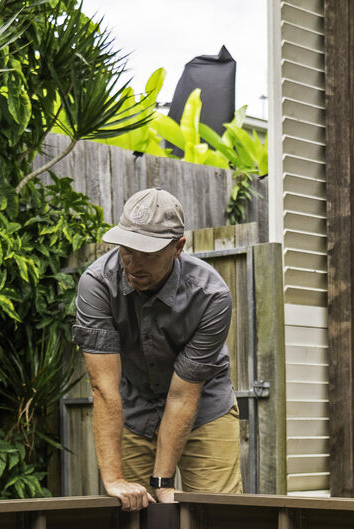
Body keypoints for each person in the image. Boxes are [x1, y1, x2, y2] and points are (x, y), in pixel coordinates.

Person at [72, 188, 242, 511]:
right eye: (126, 249)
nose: (133, 263)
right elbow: (103, 388)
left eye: (146, 252)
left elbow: (182, 396)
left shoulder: (211, 297)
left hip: (204, 406)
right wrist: (113, 479)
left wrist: (163, 482)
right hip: (133, 406)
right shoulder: (96, 284)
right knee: (130, 517)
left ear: (178, 247)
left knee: (216, 515)